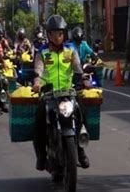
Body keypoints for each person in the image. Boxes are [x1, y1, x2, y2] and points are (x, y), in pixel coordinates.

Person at [32, 15, 91, 171]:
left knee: (82, 113)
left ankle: (80, 150)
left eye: (60, 33)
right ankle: (41, 156)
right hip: (48, 94)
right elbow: (38, 68)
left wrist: (84, 79)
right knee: (38, 121)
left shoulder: (71, 50)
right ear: (48, 35)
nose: (57, 37)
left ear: (64, 34)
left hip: (68, 92)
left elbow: (78, 67)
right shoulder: (42, 51)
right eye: (53, 34)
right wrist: (37, 82)